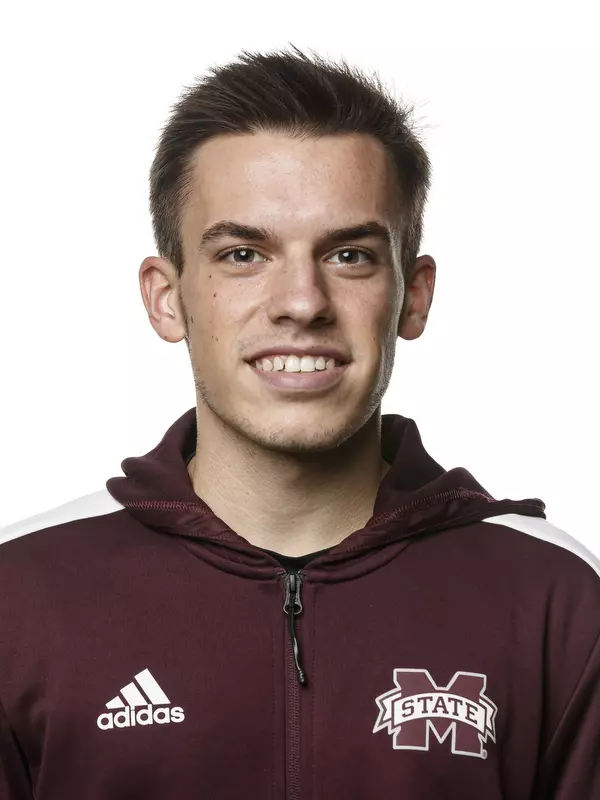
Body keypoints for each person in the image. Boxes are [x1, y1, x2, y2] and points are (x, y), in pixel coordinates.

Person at [1, 46, 599, 800]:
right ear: (165, 297)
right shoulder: (21, 596)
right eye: (244, 253)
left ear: (413, 296)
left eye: (349, 255)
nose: (302, 302)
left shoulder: (555, 598)